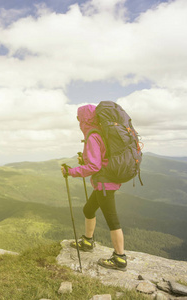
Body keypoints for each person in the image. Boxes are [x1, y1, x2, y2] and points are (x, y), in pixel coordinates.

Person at [61, 104, 127, 271]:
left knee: (112, 220)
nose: (78, 122)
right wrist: (85, 160)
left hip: (105, 183)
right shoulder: (101, 133)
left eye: (78, 118)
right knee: (88, 210)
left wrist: (71, 172)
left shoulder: (92, 136)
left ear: (84, 119)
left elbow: (94, 167)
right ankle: (87, 241)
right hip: (105, 182)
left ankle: (120, 258)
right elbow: (101, 158)